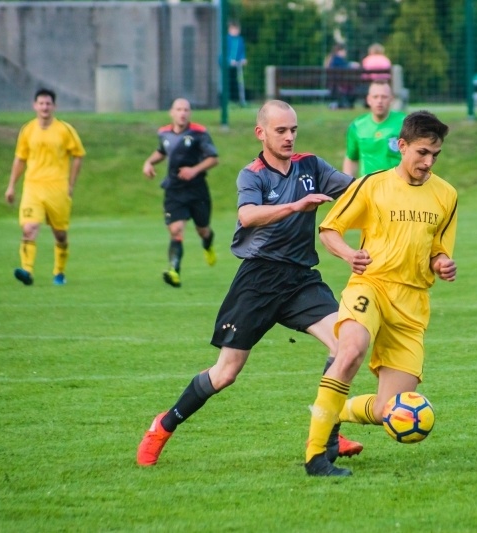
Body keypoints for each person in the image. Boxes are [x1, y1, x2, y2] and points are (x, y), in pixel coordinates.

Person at [136, 100, 364, 467]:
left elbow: (356, 190)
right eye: (281, 131)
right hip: (258, 280)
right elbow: (248, 215)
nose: (289, 137)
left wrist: (395, 183)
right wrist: (294, 206)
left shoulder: (311, 166)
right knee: (225, 373)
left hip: (301, 279)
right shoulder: (252, 174)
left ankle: (326, 436)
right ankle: (163, 425)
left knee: (346, 345)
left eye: (293, 130)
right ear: (261, 133)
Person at [304, 111, 458, 476]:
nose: (428, 162)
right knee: (351, 348)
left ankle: (334, 410)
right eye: (422, 152)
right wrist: (349, 254)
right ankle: (315, 457)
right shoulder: (372, 185)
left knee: (392, 409)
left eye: (435, 155)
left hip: (412, 305)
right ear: (401, 146)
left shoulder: (447, 195)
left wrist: (442, 264)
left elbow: (439, 249)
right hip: (370, 286)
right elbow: (329, 229)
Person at [5, 88, 86, 286]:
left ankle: (59, 271)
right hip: (33, 187)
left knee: (60, 234)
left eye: (48, 103)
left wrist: (70, 183)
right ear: (35, 106)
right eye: (41, 103)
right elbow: (20, 159)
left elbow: (78, 155)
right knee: (29, 228)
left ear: (54, 106)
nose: (44, 107)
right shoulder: (28, 130)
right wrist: (11, 186)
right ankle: (27, 271)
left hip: (57, 188)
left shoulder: (64, 130)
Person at [142, 98, 219, 288]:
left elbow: (213, 158)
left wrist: (194, 170)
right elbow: (162, 151)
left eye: (186, 109)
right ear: (172, 112)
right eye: (179, 109)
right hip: (174, 190)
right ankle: (174, 271)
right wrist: (149, 162)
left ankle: (207, 245)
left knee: (203, 230)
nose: (182, 113)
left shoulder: (199, 133)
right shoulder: (164, 133)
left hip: (197, 190)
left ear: (189, 113)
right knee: (176, 231)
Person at [343, 81, 405, 177]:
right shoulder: (357, 126)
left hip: (397, 186)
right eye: (375, 97)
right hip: (368, 187)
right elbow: (351, 158)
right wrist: (347, 184)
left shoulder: (405, 123)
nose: (379, 101)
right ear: (368, 99)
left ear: (391, 99)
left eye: (384, 97)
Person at [326, 44, 357, 109]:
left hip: (335, 84)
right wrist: (351, 65)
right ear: (339, 51)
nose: (345, 53)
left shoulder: (332, 59)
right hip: (339, 84)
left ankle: (342, 104)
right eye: (344, 51)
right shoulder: (338, 59)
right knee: (352, 86)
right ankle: (345, 103)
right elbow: (345, 68)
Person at [226, 20, 247, 107]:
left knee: (238, 82)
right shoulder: (226, 39)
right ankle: (227, 100)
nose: (235, 31)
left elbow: (242, 51)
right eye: (233, 29)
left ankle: (239, 100)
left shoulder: (240, 40)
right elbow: (224, 52)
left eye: (237, 29)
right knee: (228, 82)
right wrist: (230, 60)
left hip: (237, 66)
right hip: (227, 65)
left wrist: (242, 59)